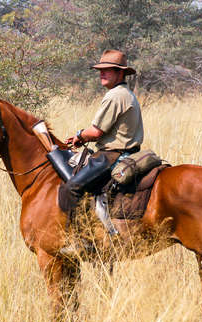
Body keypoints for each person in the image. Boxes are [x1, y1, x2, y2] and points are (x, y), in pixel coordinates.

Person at [59, 49, 144, 215]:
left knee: (70, 188)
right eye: (100, 70)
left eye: (107, 69)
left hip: (113, 155)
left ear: (120, 73)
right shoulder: (126, 94)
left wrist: (79, 135)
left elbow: (96, 132)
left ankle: (81, 237)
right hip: (127, 153)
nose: (101, 73)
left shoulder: (115, 95)